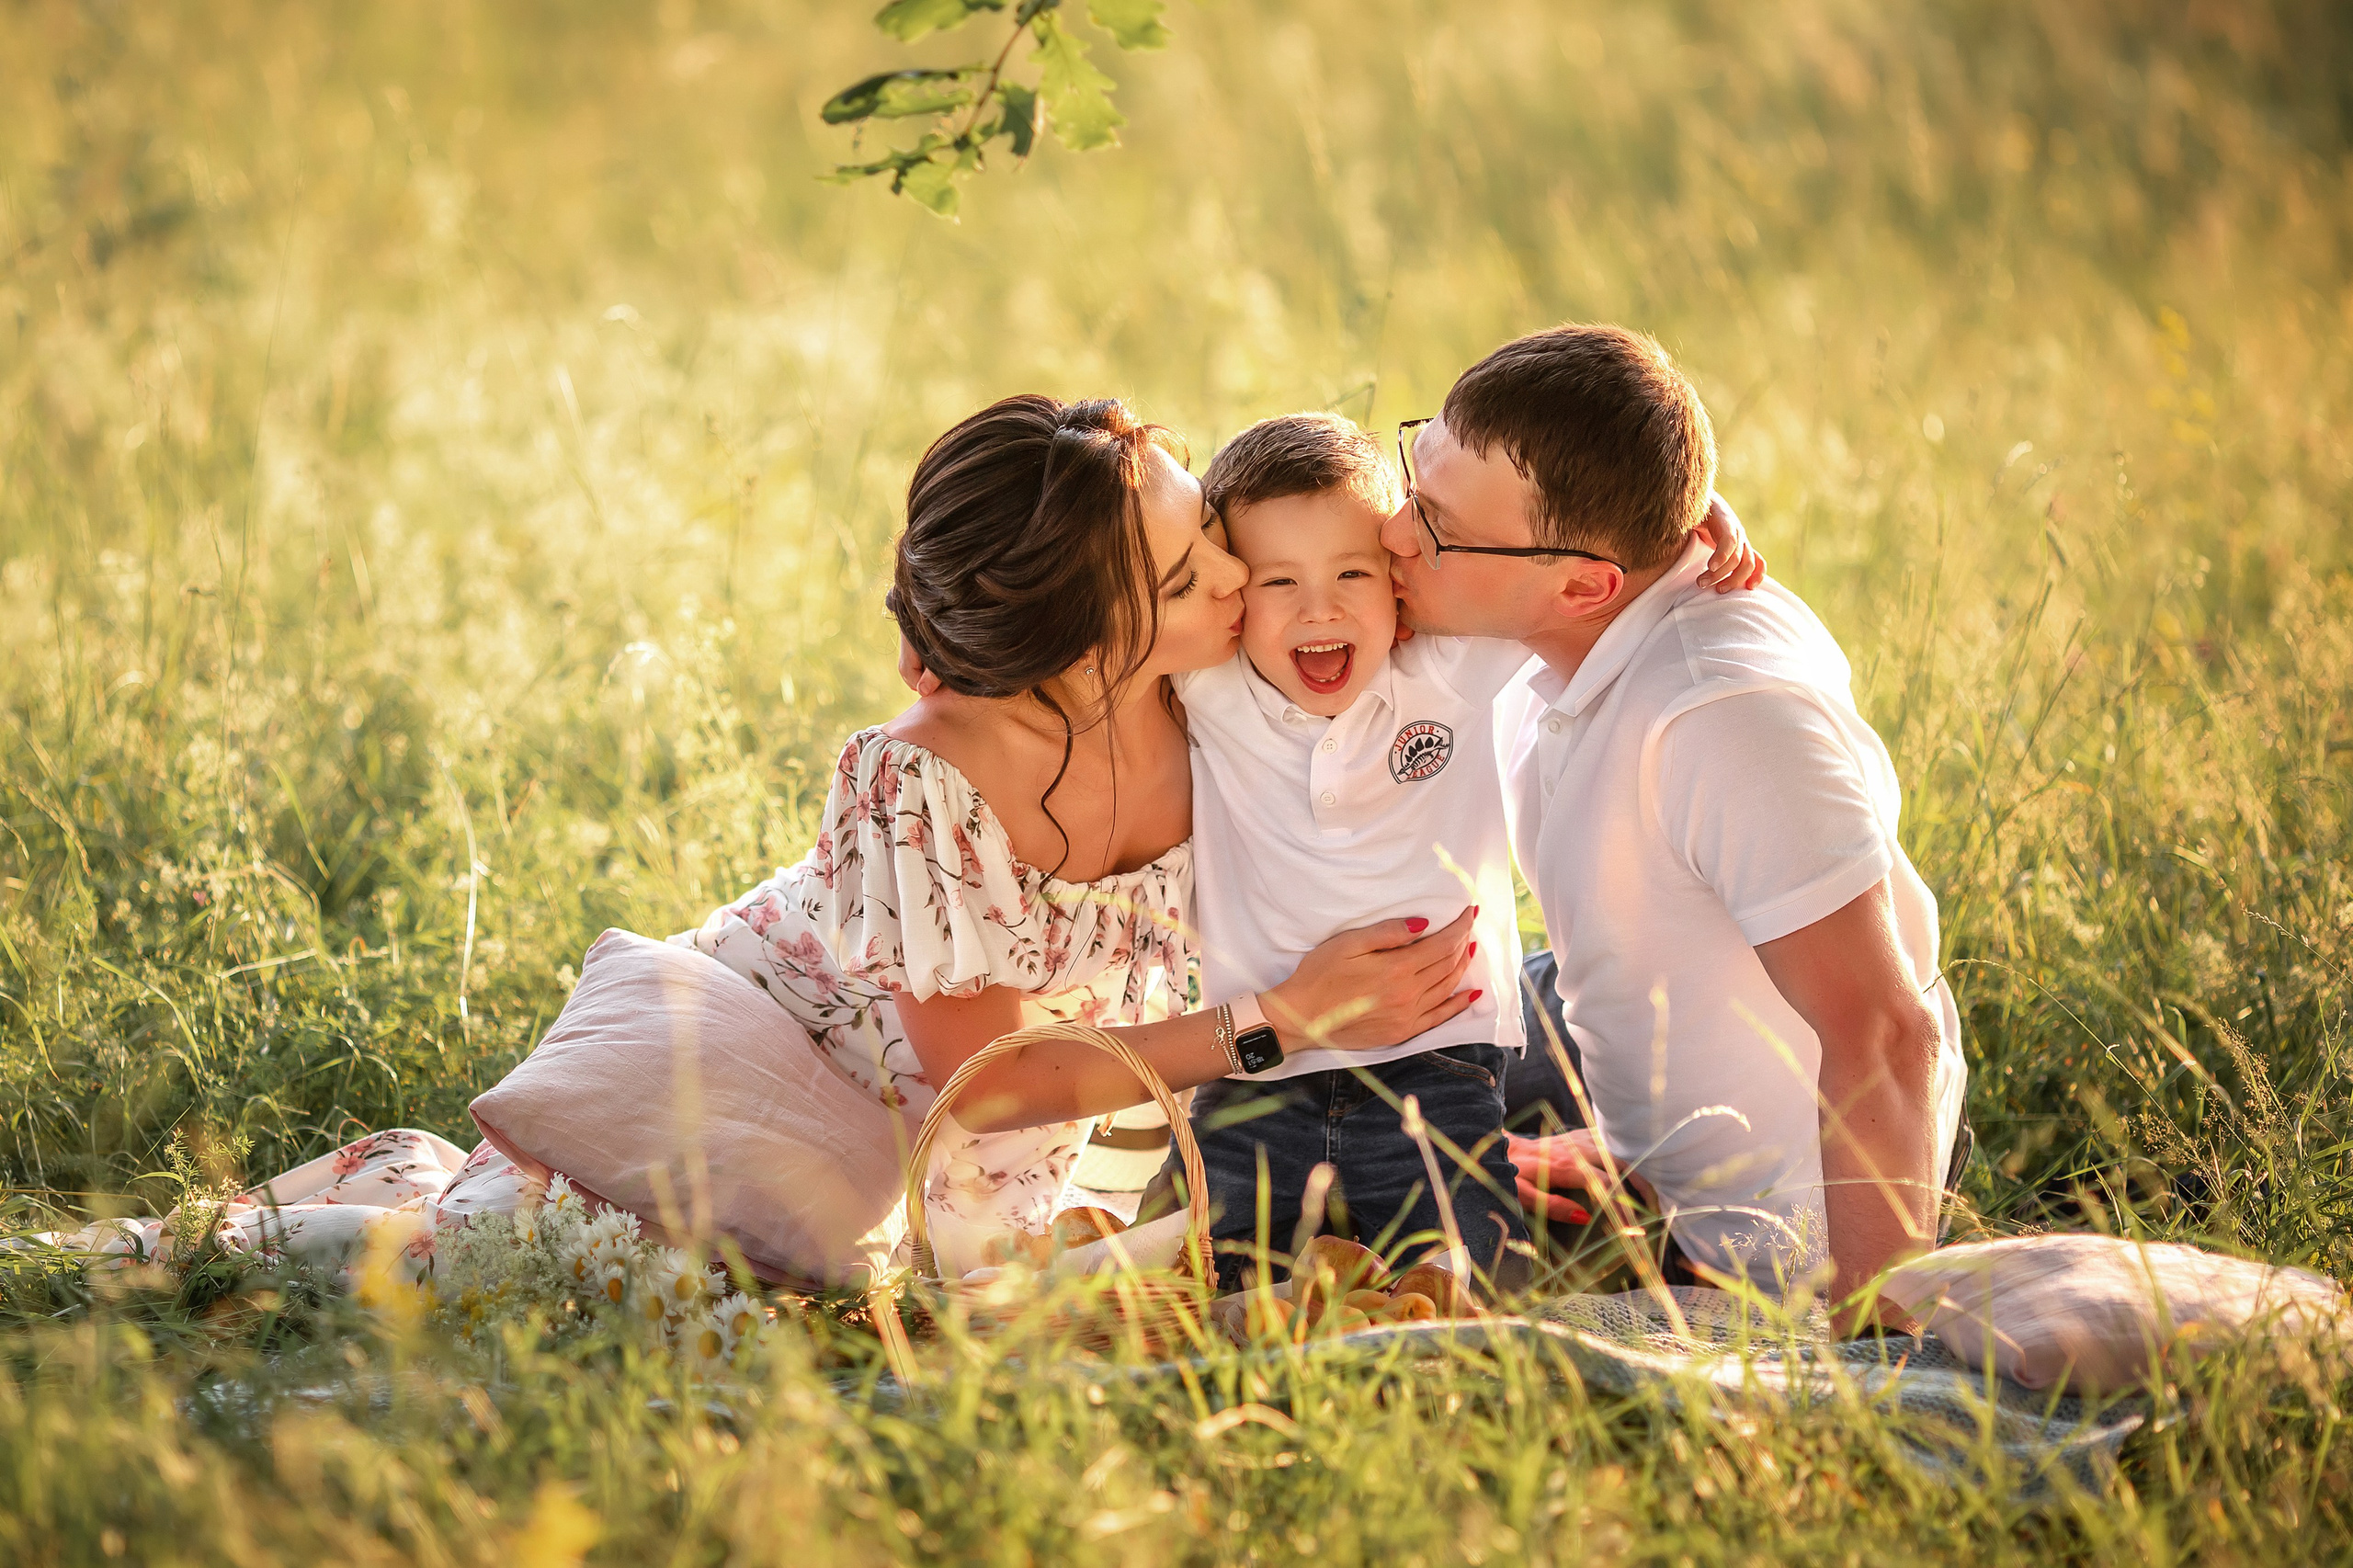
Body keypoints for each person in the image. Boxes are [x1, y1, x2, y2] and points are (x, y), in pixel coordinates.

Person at [24, 396, 1485, 1289]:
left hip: (967, 1166)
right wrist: (1276, 1022)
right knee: (525, 1282)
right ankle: (164, 1248)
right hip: (773, 1085)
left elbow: (1370, 541)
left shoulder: (1220, 665)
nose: (1237, 577)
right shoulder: (925, 781)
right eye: (1189, 570)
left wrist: (1687, 555)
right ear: (1079, 643)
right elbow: (988, 1080)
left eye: (1208, 539)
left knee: (852, 1318)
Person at [1384, 325, 1969, 1320]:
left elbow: (1881, 1032)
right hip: (1631, 1036)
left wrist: (1874, 1354)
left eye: (1434, 525)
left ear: (1584, 584)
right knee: (1331, 1087)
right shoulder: (1561, 601)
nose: (1394, 533)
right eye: (1414, 477)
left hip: (1795, 1212)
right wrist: (1634, 1139)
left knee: (1341, 1236)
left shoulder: (1723, 720)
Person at [1155, 413, 1761, 1290]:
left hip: (1435, 1065)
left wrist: (1698, 518)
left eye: (1351, 573)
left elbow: (1574, 556)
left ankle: (1444, 1287)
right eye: (1276, 581)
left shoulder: (1448, 663)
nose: (1318, 608)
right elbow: (1089, 606)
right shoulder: (1210, 684)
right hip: (1259, 1070)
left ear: (1401, 575)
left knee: (1472, 1287)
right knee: (1217, 1290)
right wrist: (932, 634)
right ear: (1229, 591)